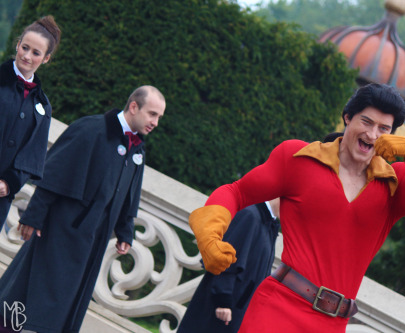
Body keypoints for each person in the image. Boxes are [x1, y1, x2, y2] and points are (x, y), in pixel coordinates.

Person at [188, 83, 405, 332]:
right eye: (367, 121)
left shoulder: (395, 183)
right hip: (277, 309)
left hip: (332, 323)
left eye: (384, 128)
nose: (372, 135)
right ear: (348, 117)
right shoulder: (299, 159)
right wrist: (209, 232)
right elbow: (237, 192)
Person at [0, 85, 166, 332]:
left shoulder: (137, 149)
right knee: (30, 292)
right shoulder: (91, 129)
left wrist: (125, 231)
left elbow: (130, 194)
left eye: (159, 117)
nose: (155, 122)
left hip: (92, 241)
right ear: (134, 107)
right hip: (60, 231)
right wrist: (33, 217)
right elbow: (55, 173)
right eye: (152, 114)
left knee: (64, 304)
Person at [178, 198, 280, 333]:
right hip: (221, 310)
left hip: (235, 312)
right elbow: (225, 260)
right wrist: (223, 301)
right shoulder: (250, 216)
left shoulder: (268, 225)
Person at [0, 15, 61, 230]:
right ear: (17, 44)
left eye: (35, 53)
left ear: (46, 58)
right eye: (24, 47)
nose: (26, 56)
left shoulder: (43, 107)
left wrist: (9, 183)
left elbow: (32, 155)